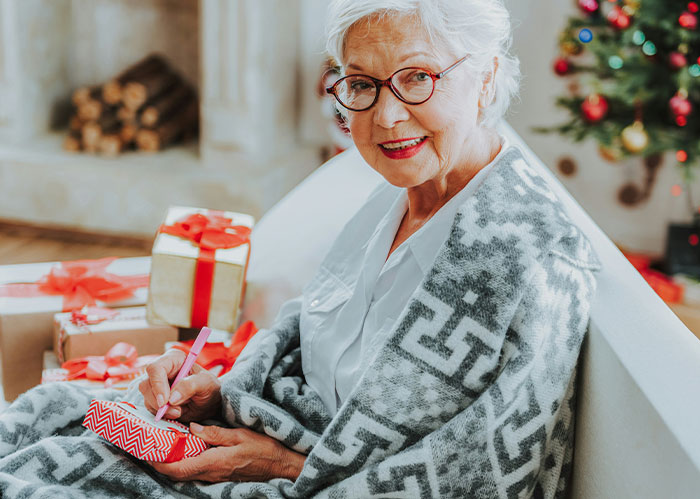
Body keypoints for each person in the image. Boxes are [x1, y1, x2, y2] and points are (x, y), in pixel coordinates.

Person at [0, 1, 600, 497]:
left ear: (487, 76)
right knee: (50, 417)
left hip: (307, 479)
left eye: (419, 77)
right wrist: (218, 394)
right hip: (259, 434)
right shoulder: (393, 197)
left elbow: (493, 477)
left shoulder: (535, 257)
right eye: (361, 84)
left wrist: (285, 466)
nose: (388, 116)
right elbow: (312, 335)